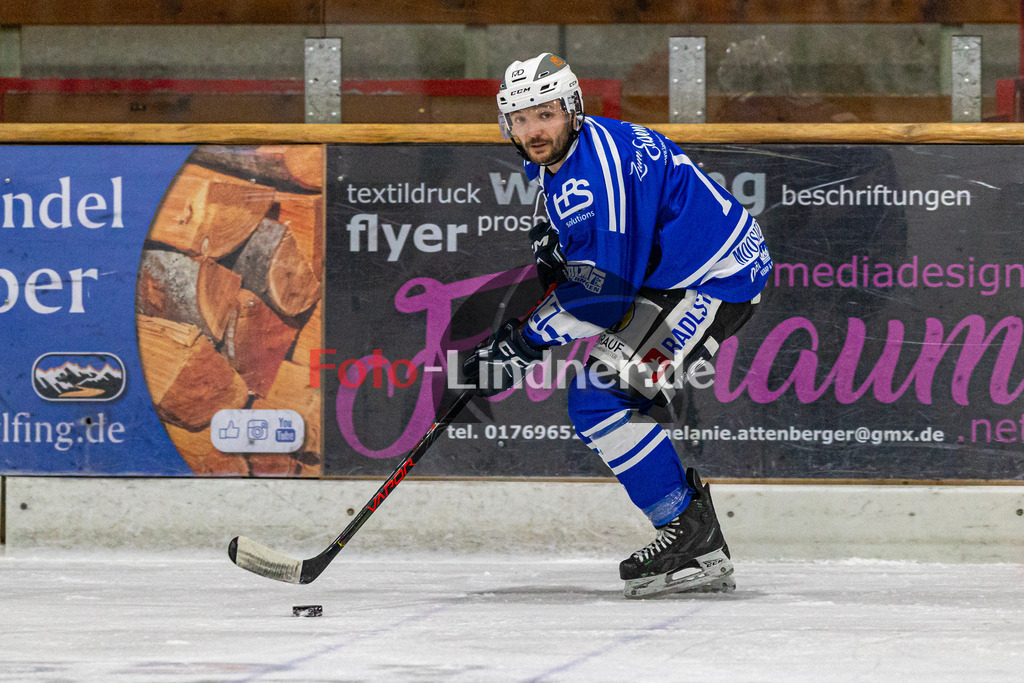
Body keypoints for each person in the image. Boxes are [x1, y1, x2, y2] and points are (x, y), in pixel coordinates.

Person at [464, 53, 773, 598]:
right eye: (520, 118)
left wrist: (520, 345)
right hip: (671, 273)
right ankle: (691, 534)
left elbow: (607, 298)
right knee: (595, 398)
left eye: (546, 114)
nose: (533, 130)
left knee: (598, 399)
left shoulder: (596, 172)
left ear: (574, 109)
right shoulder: (563, 154)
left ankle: (693, 540)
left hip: (714, 281)